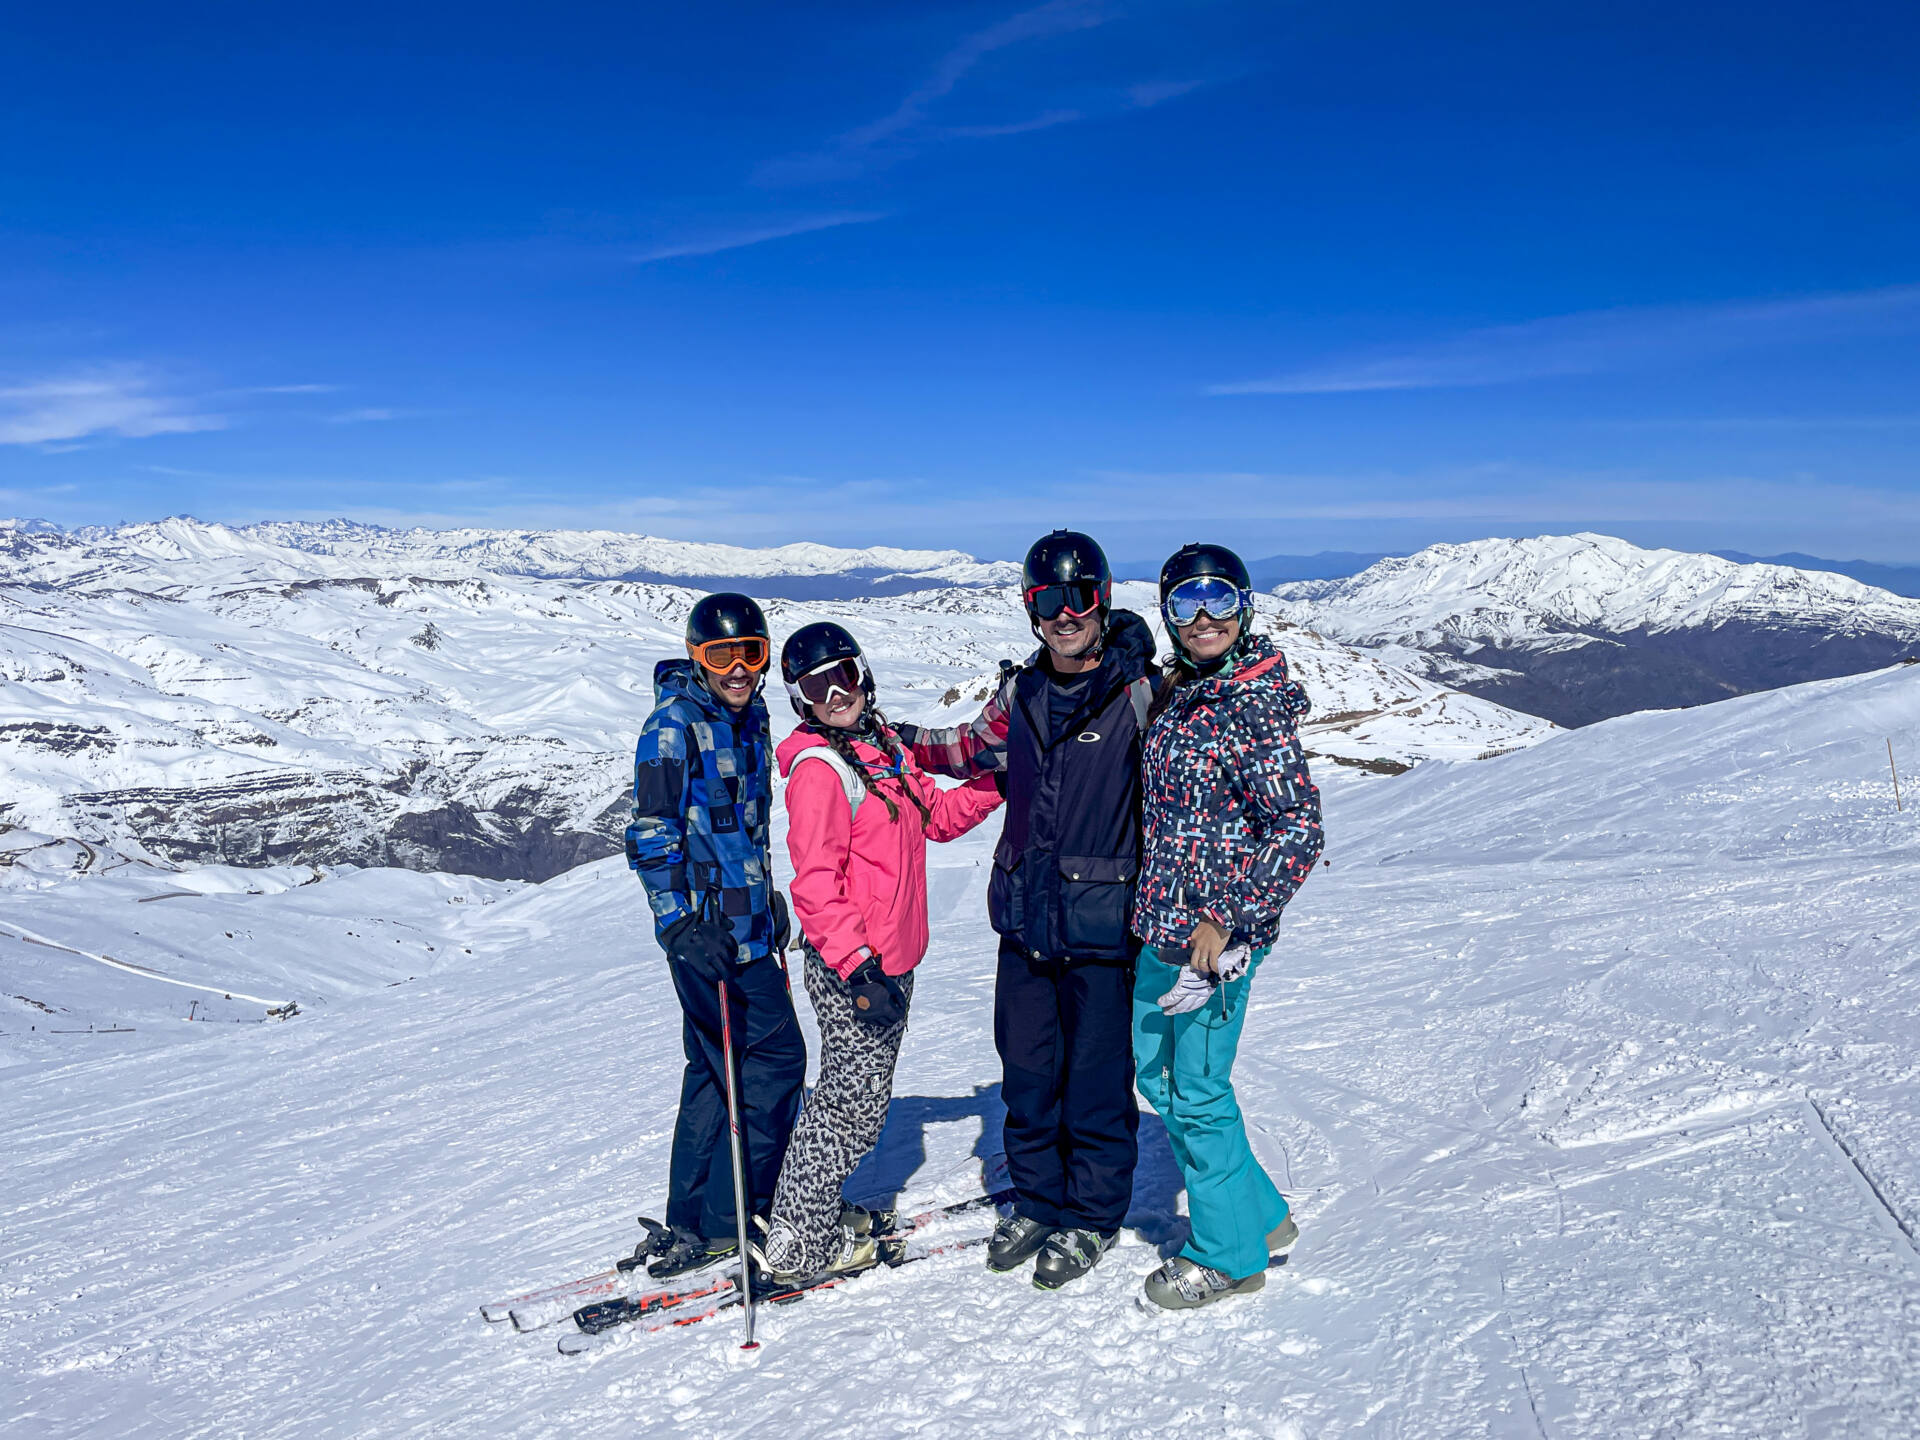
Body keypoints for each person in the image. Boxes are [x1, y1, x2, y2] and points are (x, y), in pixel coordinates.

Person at [896, 530, 1160, 1290]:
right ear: (1030, 610)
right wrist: (893, 739)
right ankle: (1040, 1201)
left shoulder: (1140, 691)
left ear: (1103, 601)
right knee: (1027, 1074)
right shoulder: (1023, 693)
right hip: (1026, 921)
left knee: (1097, 1082)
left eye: (1079, 598)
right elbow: (964, 749)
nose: (1065, 613)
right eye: (1048, 600)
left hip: (1106, 930)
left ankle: (1091, 1217)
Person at [755, 621, 1004, 1283]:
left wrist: (1000, 780)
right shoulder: (819, 771)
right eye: (817, 685)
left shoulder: (880, 744)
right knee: (848, 1109)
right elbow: (814, 885)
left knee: (857, 1103)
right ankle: (797, 1245)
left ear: (862, 674)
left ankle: (812, 1215)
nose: (835, 692)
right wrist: (858, 967)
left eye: (844, 675)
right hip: (855, 971)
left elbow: (939, 818)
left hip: (892, 963)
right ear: (799, 698)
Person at [1130, 543, 1324, 1310]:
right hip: (1163, 925)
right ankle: (1262, 1216)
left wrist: (1227, 918)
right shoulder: (1187, 689)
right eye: (1186, 602)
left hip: (1215, 945)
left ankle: (1228, 1255)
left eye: (1217, 598)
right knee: (1157, 1074)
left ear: (1244, 605)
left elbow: (1298, 827)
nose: (1204, 616)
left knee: (1200, 1092)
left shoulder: (1252, 703)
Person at [625, 592, 806, 1279]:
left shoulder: (749, 714)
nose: (737, 669)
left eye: (750, 654)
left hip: (746, 925)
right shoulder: (672, 726)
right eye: (720, 656)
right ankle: (742, 1213)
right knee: (776, 1063)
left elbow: (743, 829)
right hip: (711, 938)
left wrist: (768, 898)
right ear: (697, 659)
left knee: (712, 1070)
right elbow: (651, 832)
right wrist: (677, 924)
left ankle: (694, 1217)